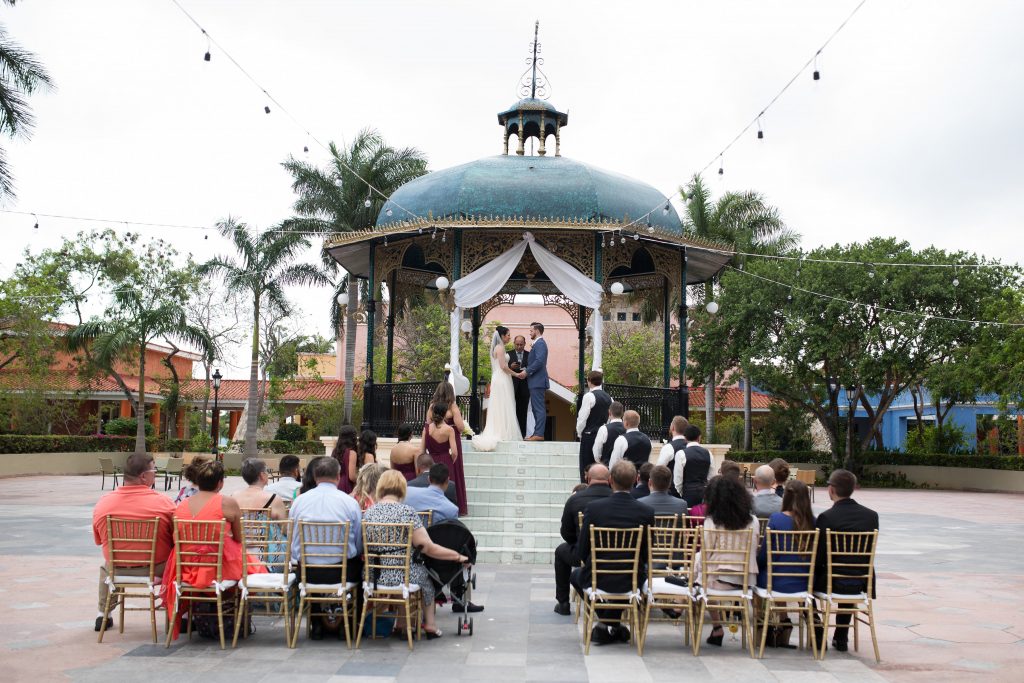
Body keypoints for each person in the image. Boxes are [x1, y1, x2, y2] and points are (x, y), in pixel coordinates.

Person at [162, 459, 267, 640]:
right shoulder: (227, 503)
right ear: (220, 483)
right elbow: (240, 537)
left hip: (184, 567)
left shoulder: (181, 506)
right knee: (249, 561)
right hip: (216, 568)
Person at [362, 470, 470, 639]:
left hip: (374, 575)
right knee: (427, 578)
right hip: (404, 576)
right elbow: (427, 547)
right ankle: (430, 625)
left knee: (406, 570)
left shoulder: (369, 513)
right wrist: (456, 556)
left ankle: (402, 624)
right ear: (402, 488)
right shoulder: (407, 512)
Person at [571, 461, 655, 645]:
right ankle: (612, 624)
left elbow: (582, 549)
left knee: (576, 576)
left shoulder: (594, 508)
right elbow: (648, 552)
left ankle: (606, 622)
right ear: (635, 480)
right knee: (630, 579)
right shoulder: (646, 511)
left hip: (598, 576)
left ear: (610, 480)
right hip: (631, 578)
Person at [92, 453, 176, 632]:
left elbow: (99, 540)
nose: (156, 474)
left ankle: (102, 614)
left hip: (117, 568)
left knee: (105, 567)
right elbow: (177, 538)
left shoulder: (103, 504)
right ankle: (179, 615)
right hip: (157, 568)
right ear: (144, 476)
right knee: (180, 561)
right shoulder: (164, 503)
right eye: (154, 470)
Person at [288, 456, 363, 640]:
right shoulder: (349, 503)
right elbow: (359, 543)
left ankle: (317, 624)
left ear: (314, 476)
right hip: (342, 572)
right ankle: (350, 625)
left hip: (309, 572)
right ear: (338, 476)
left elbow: (293, 542)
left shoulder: (299, 502)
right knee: (361, 571)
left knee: (306, 569)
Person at [814, 469, 879, 653]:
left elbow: (819, 556)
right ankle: (841, 637)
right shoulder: (871, 516)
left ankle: (816, 630)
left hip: (832, 581)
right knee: (849, 571)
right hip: (861, 580)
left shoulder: (827, 517)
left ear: (831, 490)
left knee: (807, 578)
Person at [694, 475, 759, 647]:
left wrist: (696, 570)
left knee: (701, 568)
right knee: (704, 570)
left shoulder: (712, 521)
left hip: (718, 580)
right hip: (745, 580)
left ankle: (717, 626)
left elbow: (706, 553)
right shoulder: (753, 521)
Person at [552, 464, 612, 615]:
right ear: (609, 479)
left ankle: (563, 602)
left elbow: (566, 533)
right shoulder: (618, 498)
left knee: (561, 551)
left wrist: (580, 543)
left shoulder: (575, 500)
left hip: (585, 555)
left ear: (587, 478)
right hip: (618, 557)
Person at [472, 326, 525, 452]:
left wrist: (509, 367)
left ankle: (501, 430)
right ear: (502, 336)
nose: (509, 337)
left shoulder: (498, 348)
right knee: (503, 405)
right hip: (502, 379)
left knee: (501, 405)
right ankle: (502, 432)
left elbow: (501, 364)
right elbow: (502, 367)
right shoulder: (500, 348)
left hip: (499, 378)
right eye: (508, 335)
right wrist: (516, 374)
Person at [757, 479, 815, 593]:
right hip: (805, 583)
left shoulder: (776, 519)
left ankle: (777, 610)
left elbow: (764, 556)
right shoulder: (813, 521)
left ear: (786, 497)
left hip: (774, 581)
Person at [428, 381, 468, 515]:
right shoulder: (452, 406)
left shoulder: (432, 406)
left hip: (435, 438)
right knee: (454, 470)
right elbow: (461, 427)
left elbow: (428, 424)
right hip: (451, 439)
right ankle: (457, 505)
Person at [421, 403, 463, 515]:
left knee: (432, 488)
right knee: (447, 489)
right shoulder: (449, 430)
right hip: (446, 461)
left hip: (431, 461)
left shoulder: (427, 429)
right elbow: (454, 452)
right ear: (445, 414)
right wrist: (451, 460)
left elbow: (422, 451)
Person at [575, 370, 612, 481]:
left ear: (589, 381)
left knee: (586, 467)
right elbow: (610, 417)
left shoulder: (589, 396)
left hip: (589, 435)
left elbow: (582, 418)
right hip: (603, 435)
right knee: (600, 467)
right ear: (601, 381)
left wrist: (580, 433)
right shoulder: (609, 397)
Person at [521, 322, 549, 441]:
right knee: (536, 407)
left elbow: (539, 361)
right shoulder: (538, 344)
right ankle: (537, 433)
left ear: (537, 331)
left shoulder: (540, 344)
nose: (530, 333)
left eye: (531, 331)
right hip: (535, 381)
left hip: (537, 381)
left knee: (538, 408)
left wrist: (527, 371)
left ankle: (539, 434)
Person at [679, 425, 712, 507]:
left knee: (687, 518)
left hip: (687, 492)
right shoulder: (709, 453)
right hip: (704, 492)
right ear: (699, 437)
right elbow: (711, 477)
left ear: (685, 438)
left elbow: (678, 479)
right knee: (702, 517)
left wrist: (681, 493)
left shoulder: (681, 454)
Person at [656, 416, 688, 499]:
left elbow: (659, 470)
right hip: (690, 492)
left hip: (672, 493)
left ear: (672, 427)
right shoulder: (690, 446)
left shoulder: (669, 447)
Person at [508, 334, 530, 437]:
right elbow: (503, 368)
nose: (519, 346)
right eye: (517, 344)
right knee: (511, 411)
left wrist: (527, 370)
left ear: (525, 344)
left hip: (525, 387)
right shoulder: (508, 354)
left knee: (523, 411)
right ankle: (512, 434)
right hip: (512, 387)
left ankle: (522, 434)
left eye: (521, 344)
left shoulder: (529, 354)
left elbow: (532, 368)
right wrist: (510, 366)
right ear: (514, 344)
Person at [330, 425, 359, 494]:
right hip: (346, 485)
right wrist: (361, 480)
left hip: (334, 483)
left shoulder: (335, 451)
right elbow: (351, 476)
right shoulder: (352, 453)